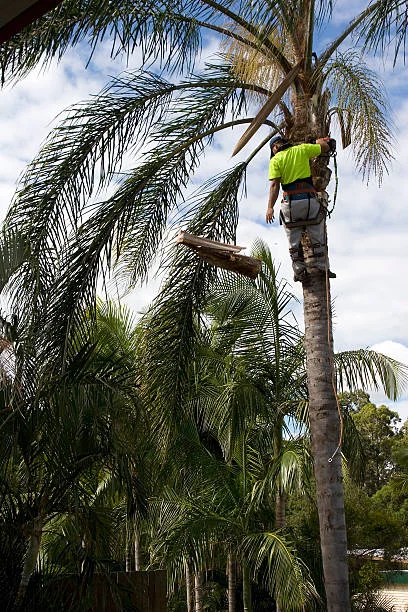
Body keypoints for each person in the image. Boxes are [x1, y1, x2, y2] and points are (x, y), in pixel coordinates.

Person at [266, 135, 336, 282]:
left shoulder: (276, 160)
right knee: (317, 235)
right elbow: (325, 146)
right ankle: (323, 267)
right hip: (309, 201)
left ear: (274, 148)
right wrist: (316, 142)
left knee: (293, 242)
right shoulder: (301, 149)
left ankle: (299, 271)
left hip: (291, 204)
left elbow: (274, 185)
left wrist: (270, 208)